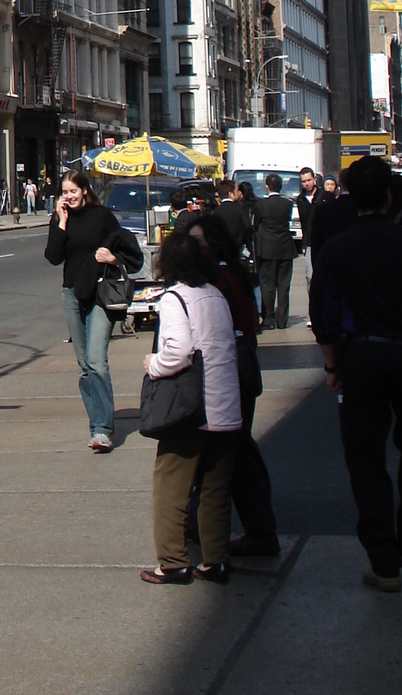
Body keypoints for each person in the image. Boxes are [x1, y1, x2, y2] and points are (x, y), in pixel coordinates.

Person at [310, 154, 402, 592]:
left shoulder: (338, 249)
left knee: (366, 458)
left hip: (361, 358)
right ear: (391, 195)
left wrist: (332, 365)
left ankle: (384, 560)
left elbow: (323, 312)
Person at [140, 231, 242, 585]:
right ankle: (216, 560)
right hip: (226, 404)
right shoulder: (216, 294)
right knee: (215, 489)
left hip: (191, 408)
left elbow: (179, 351)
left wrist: (153, 363)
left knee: (171, 483)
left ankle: (172, 561)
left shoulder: (174, 299)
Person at [191, 215, 280, 558]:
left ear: (213, 245)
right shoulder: (232, 275)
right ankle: (249, 526)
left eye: (198, 243)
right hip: (242, 369)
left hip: (232, 373)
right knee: (236, 450)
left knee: (235, 452)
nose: (194, 250)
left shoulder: (220, 279)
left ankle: (256, 528)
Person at [44, 169, 142, 453]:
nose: (69, 197)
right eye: (65, 193)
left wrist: (112, 257)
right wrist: (61, 223)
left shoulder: (102, 218)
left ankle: (102, 430)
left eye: (73, 191)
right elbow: (53, 257)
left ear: (85, 190)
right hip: (72, 294)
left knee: (97, 360)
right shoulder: (62, 218)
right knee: (85, 367)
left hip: (100, 293)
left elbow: (131, 255)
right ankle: (97, 422)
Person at [252, 174, 295, 331]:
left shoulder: (261, 205)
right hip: (285, 247)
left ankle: (269, 317)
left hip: (267, 249)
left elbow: (256, 225)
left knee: (267, 284)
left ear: (267, 186)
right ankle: (282, 319)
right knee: (283, 284)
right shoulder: (287, 204)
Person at [295, 168, 323, 291]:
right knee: (310, 276)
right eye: (304, 181)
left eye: (309, 180)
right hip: (310, 242)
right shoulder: (300, 199)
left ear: (315, 179)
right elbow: (304, 223)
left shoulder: (323, 196)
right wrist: (304, 244)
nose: (307, 184)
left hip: (324, 240)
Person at [215, 179, 254, 260]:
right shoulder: (240, 208)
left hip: (221, 250)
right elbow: (247, 226)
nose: (239, 193)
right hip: (238, 247)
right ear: (230, 194)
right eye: (236, 191)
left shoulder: (216, 211)